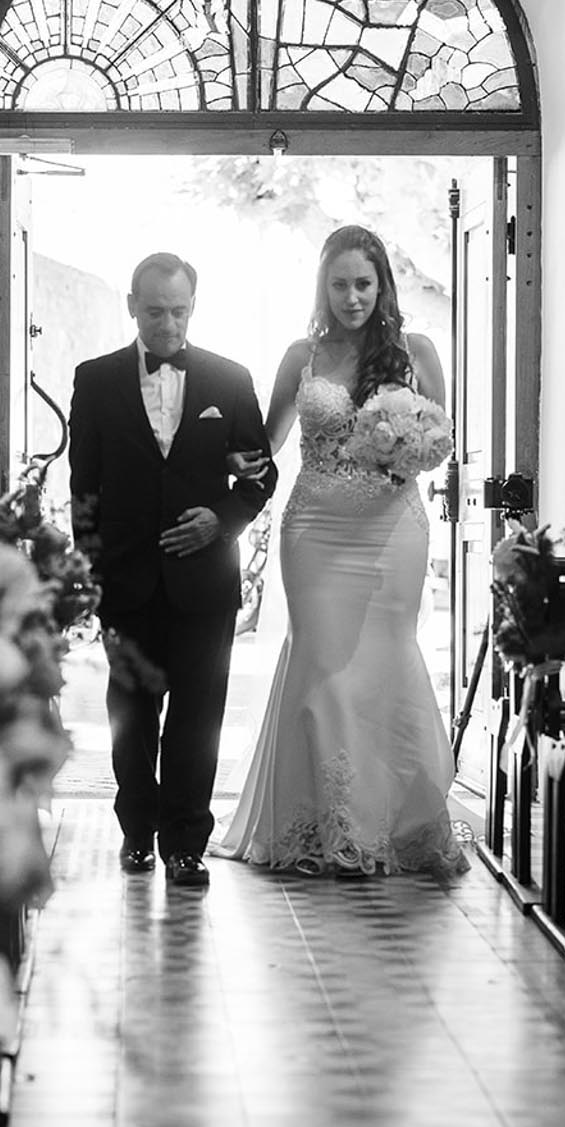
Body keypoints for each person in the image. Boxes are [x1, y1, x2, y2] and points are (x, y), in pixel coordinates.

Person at [216, 224, 468, 881]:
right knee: (324, 665)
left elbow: (442, 435)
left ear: (382, 284)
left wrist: (410, 450)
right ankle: (324, 826)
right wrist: (219, 452)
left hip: (393, 533)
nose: (351, 297)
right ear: (322, 288)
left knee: (384, 662)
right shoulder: (301, 354)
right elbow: (265, 444)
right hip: (316, 533)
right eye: (339, 284)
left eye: (363, 283)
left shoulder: (417, 351)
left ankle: (389, 824)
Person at [68, 253, 277, 893]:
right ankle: (136, 831)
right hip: (126, 579)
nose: (168, 324)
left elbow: (257, 476)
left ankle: (187, 845)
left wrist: (221, 520)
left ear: (194, 307)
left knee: (199, 716)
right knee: (131, 713)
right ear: (132, 305)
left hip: (204, 579)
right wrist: (92, 573)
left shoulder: (227, 379)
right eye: (155, 311)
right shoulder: (96, 380)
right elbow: (85, 489)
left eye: (179, 311)